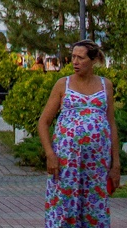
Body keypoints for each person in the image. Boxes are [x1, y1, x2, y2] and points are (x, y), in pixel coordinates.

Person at [38, 41, 120, 228]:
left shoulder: (105, 85)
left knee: (94, 208)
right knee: (64, 207)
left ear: (92, 60)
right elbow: (43, 122)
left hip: (96, 163)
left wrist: (116, 163)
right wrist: (50, 154)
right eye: (73, 56)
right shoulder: (62, 85)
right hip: (66, 162)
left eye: (80, 58)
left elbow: (111, 124)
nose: (74, 61)